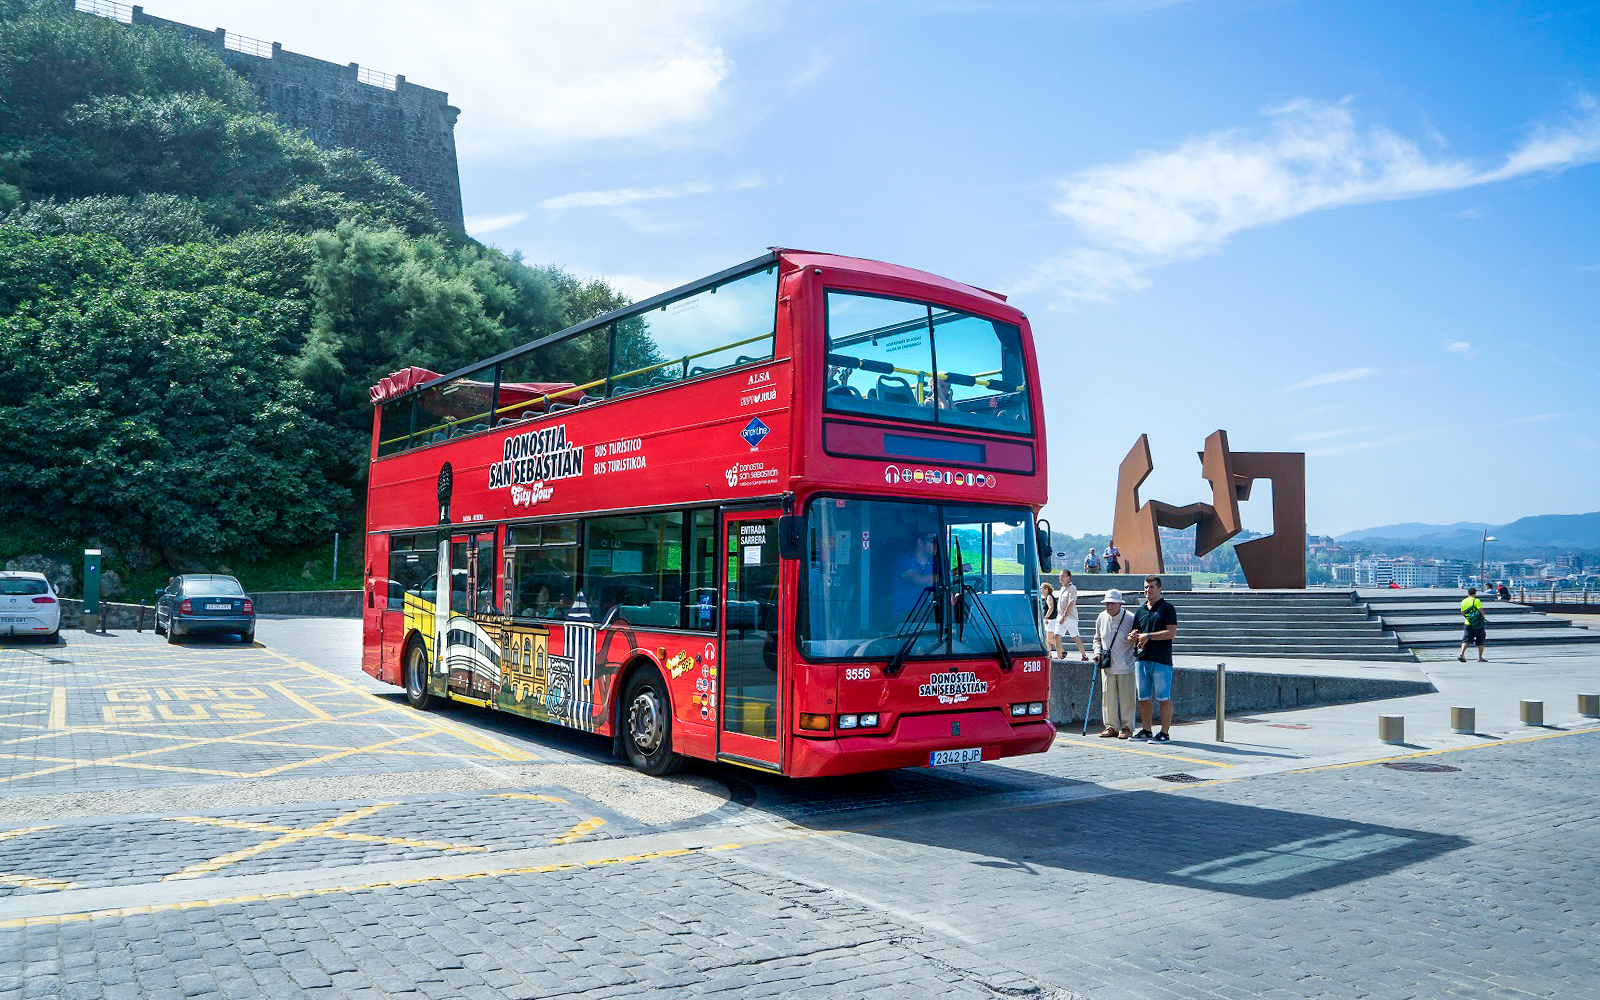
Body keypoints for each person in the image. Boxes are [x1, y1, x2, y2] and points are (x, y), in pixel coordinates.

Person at [1128, 575, 1179, 742]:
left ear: (1159, 589)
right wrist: (1133, 636)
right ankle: (1146, 730)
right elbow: (1134, 635)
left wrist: (1148, 636)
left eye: (1151, 587)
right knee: (1143, 698)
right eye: (1145, 587)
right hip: (1142, 660)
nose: (1147, 590)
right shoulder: (1140, 611)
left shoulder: (1167, 608)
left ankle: (1164, 733)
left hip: (1161, 660)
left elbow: (1171, 633)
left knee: (1163, 697)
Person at [1093, 588, 1138, 738]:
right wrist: (1097, 652)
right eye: (1107, 604)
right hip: (1107, 665)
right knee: (1108, 698)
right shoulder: (1101, 617)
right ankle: (1111, 726)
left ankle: (1127, 727)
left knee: (1127, 698)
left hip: (1126, 665)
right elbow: (1097, 638)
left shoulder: (1130, 618)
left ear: (1120, 604)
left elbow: (1137, 639)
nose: (1109, 607)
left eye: (1112, 603)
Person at [891, 532, 940, 618]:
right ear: (920, 541)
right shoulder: (904, 560)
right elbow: (917, 579)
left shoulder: (932, 562)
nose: (937, 545)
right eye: (933, 541)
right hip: (904, 617)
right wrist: (951, 574)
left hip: (923, 613)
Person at [1056, 569, 1087, 661]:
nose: (1060, 578)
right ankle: (1060, 655)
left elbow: (1071, 602)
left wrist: (1064, 615)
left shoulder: (1072, 588)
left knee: (1075, 637)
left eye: (1063, 576)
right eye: (1060, 576)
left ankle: (1084, 655)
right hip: (1061, 617)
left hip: (1070, 618)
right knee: (1056, 636)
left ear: (1068, 578)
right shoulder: (1062, 589)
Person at [1459, 586, 1488, 662]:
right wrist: (1483, 617)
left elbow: (1462, 612)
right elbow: (1480, 610)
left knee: (1466, 639)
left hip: (1467, 623)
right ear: (1475, 593)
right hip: (1477, 623)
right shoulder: (1476, 600)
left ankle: (1462, 653)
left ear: (1468, 593)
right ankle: (1480, 657)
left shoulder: (1463, 601)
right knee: (1480, 640)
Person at [1039, 582, 1062, 659]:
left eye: (1041, 588)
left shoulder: (1049, 597)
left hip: (1051, 620)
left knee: (1050, 638)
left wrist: (1046, 617)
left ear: (1046, 589)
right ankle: (1049, 654)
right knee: (1047, 639)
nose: (1040, 590)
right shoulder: (1047, 597)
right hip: (1049, 620)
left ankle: (1061, 650)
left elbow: (1051, 607)